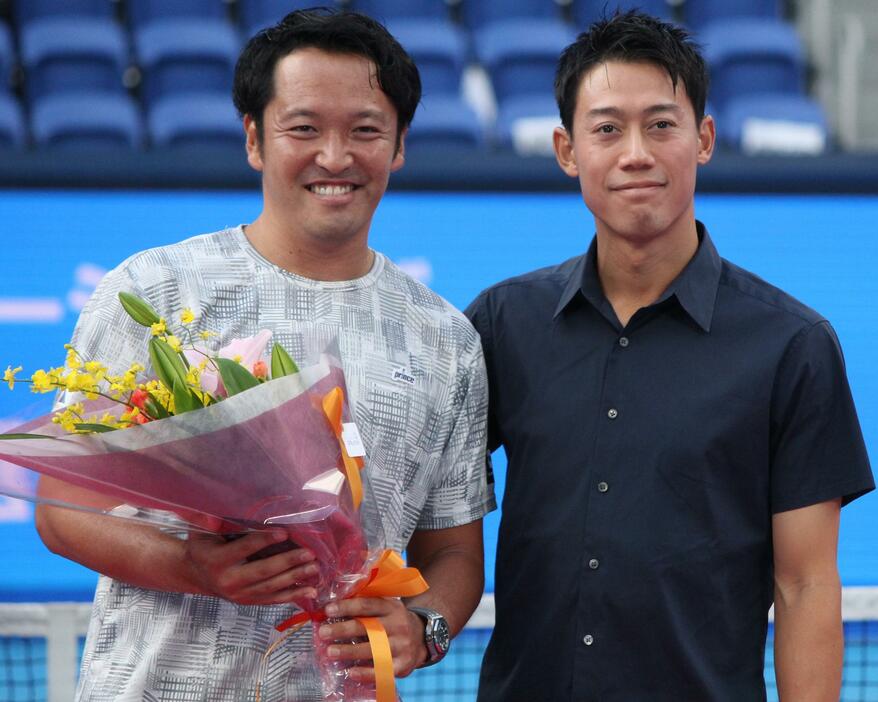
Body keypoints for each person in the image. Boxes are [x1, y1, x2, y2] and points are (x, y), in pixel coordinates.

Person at [35, 9, 494, 700]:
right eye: (303, 128)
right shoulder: (153, 291)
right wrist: (195, 566)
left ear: (398, 145)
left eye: (365, 130)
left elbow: (453, 550)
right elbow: (61, 506)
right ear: (255, 139)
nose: (335, 157)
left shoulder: (445, 338)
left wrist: (424, 628)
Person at [466, 10, 874, 702]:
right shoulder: (502, 323)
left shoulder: (793, 346)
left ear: (704, 139)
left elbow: (805, 585)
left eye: (661, 124)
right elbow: (433, 512)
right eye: (606, 129)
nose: (636, 153)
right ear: (567, 150)